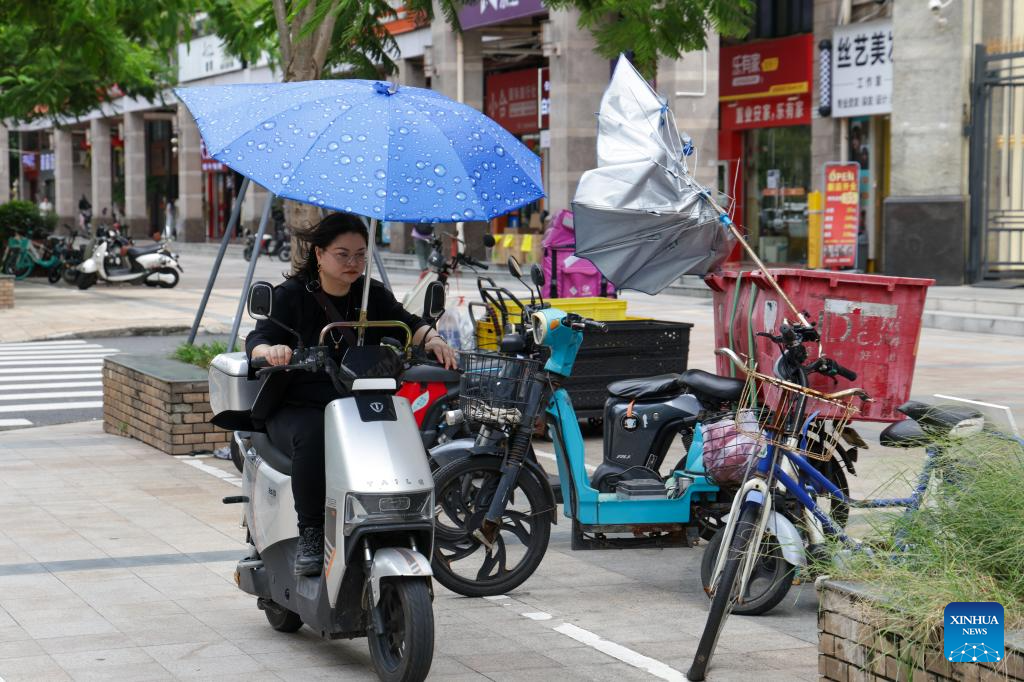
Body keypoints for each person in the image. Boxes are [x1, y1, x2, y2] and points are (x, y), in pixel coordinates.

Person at [245, 212, 457, 576]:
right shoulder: (291, 296)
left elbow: (408, 324)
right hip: (300, 405)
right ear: (319, 254)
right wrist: (272, 351)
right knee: (315, 437)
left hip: (357, 403)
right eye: (342, 254)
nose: (353, 263)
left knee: (403, 435)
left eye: (360, 255)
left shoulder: (370, 294)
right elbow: (258, 339)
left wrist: (433, 339)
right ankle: (311, 534)